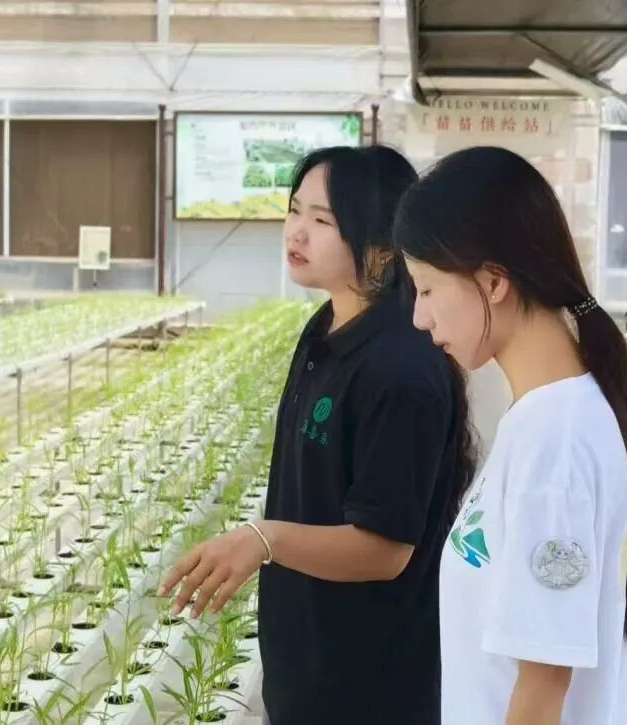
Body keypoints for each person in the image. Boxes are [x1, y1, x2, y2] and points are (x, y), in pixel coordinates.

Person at [159, 145, 475, 725]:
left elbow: (385, 549)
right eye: (294, 210)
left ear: (383, 247)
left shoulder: (401, 370)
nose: (296, 232)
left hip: (369, 686)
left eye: (323, 220)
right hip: (305, 666)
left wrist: (263, 539)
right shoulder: (325, 329)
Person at [393, 146, 627, 725]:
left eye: (426, 288)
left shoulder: (554, 443)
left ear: (493, 281)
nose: (419, 317)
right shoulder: (546, 419)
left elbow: (543, 684)